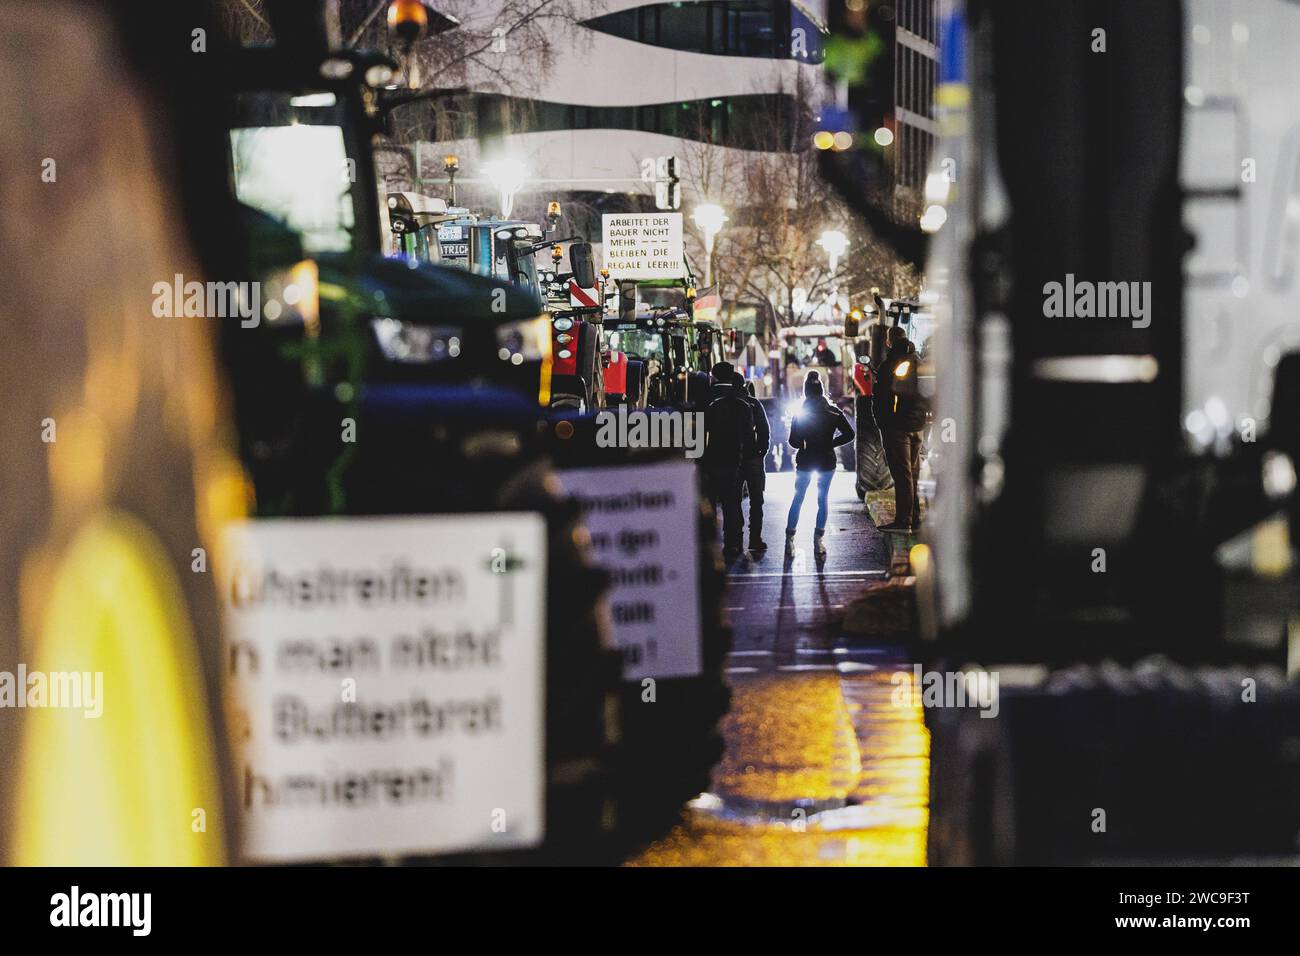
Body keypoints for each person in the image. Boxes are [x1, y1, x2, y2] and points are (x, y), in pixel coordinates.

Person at [785, 370, 854, 558]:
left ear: (806, 391)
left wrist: (805, 444)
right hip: (826, 460)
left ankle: (789, 541)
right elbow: (850, 434)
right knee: (822, 500)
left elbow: (793, 441)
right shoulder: (833, 411)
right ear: (822, 389)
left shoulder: (800, 413)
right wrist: (831, 443)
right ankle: (818, 542)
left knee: (798, 498)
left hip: (806, 460)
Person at [875, 326, 927, 532]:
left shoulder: (890, 365)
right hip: (918, 426)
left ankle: (903, 520)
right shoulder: (919, 362)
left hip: (897, 427)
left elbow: (881, 398)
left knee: (902, 474)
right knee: (913, 473)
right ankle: (914, 517)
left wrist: (883, 422)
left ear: (889, 341)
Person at [702, 361, 755, 561]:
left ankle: (709, 547)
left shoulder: (705, 398)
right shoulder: (742, 401)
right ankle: (734, 544)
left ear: (713, 376)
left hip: (710, 459)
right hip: (734, 459)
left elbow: (696, 432)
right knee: (731, 504)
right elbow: (749, 436)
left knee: (708, 504)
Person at [734, 371, 770, 553]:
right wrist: (761, 451)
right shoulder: (755, 404)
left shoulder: (726, 404)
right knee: (757, 501)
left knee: (733, 500)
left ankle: (736, 540)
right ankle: (755, 539)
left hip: (733, 459)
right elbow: (764, 430)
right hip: (753, 459)